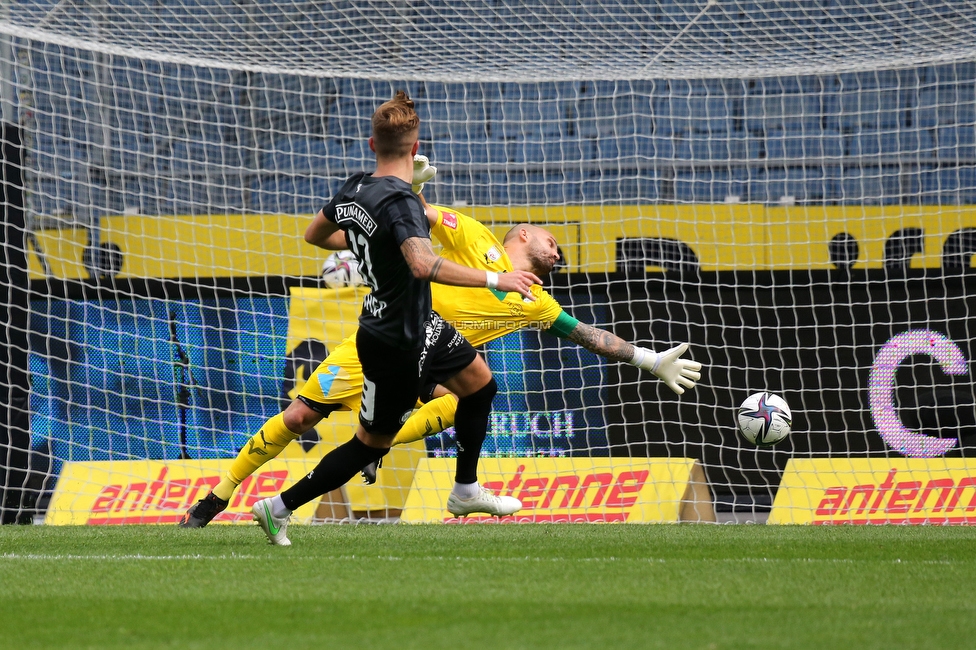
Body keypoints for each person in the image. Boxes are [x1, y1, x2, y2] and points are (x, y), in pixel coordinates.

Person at [179, 155, 703, 530]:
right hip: (390, 338)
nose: (558, 250)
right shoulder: (473, 235)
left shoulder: (537, 301)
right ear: (520, 234)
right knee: (299, 419)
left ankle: (449, 482)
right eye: (551, 240)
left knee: (469, 397)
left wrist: (646, 358)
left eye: (560, 250)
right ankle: (217, 497)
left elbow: (589, 336)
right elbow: (413, 220)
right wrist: (414, 185)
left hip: (430, 361)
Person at [248, 90, 542, 545]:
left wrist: (369, 242)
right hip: (393, 341)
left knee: (481, 385)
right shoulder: (402, 202)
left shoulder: (355, 186)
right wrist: (495, 280)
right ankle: (278, 507)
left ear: (372, 144)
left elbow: (315, 235)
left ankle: (465, 489)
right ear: (415, 145)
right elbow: (423, 265)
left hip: (420, 324)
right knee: (371, 444)